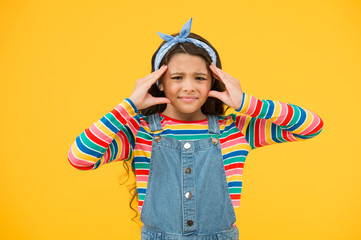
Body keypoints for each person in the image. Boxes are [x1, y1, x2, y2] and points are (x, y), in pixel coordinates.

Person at [68, 18, 324, 240]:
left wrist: (245, 102)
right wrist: (128, 106)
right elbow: (79, 158)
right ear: (159, 83)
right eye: (177, 77)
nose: (189, 87)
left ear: (214, 80)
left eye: (199, 78)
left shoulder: (234, 129)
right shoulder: (139, 132)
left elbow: (311, 126)